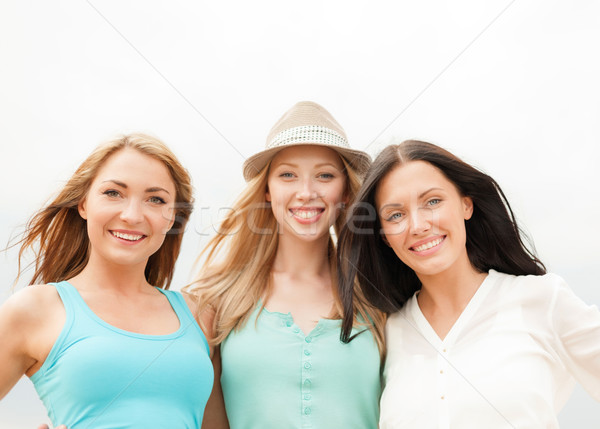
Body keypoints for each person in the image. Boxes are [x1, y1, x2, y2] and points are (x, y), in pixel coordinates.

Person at [337, 139, 600, 428]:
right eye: (396, 215)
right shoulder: (386, 334)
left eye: (433, 202)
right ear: (384, 235)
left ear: (466, 204)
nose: (418, 225)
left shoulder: (542, 299)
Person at [185, 101, 386, 429]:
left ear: (346, 191)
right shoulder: (218, 301)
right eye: (288, 175)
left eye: (324, 175)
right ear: (267, 190)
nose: (306, 192)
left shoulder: (379, 297)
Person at [0, 134, 214, 428]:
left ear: (172, 218)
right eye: (113, 193)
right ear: (84, 204)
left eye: (156, 199)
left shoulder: (200, 316)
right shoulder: (34, 309)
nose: (131, 215)